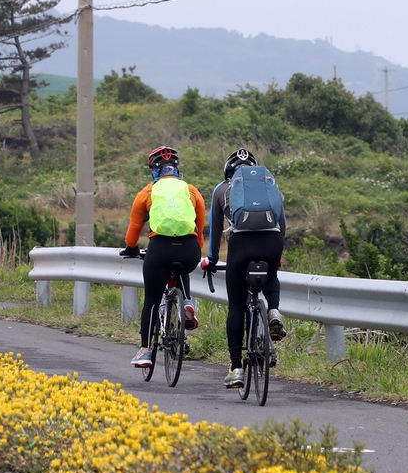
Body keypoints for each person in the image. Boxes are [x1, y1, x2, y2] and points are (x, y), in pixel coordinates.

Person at [203, 148, 287, 389]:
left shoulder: (221, 190)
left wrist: (211, 258)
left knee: (237, 306)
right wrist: (277, 253)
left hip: (241, 245)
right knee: (271, 274)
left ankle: (236, 368)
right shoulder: (270, 185)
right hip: (272, 241)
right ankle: (273, 311)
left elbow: (216, 229)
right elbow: (282, 223)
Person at [120, 146, 207, 368]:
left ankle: (146, 351)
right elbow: (199, 224)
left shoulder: (147, 192)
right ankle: (186, 303)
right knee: (182, 268)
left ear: (154, 171)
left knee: (151, 302)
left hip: (160, 249)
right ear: (176, 169)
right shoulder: (192, 190)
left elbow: (134, 228)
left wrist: (131, 247)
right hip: (189, 250)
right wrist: (195, 248)